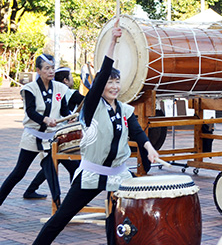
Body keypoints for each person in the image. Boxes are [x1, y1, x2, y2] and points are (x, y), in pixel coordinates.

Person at [32, 22, 159, 245]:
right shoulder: (92, 106)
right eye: (109, 82)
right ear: (101, 85)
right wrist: (112, 42)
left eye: (117, 81)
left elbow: (137, 132)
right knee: (61, 218)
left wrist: (148, 147)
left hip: (119, 175)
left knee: (118, 220)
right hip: (92, 174)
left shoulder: (124, 109)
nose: (114, 86)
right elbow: (100, 78)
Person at [0, 54, 72, 208]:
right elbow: (31, 111)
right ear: (38, 70)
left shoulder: (60, 88)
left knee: (59, 170)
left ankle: (60, 207)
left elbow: (64, 110)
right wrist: (45, 119)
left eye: (52, 68)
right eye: (47, 68)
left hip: (52, 138)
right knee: (19, 172)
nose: (51, 71)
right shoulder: (29, 89)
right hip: (33, 136)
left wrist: (70, 117)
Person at [23, 66, 84, 200]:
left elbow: (64, 111)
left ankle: (32, 190)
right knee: (60, 165)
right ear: (65, 80)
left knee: (52, 165)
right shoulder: (70, 93)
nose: (72, 80)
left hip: (55, 133)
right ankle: (73, 200)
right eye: (71, 77)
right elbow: (86, 101)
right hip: (56, 135)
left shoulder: (60, 91)